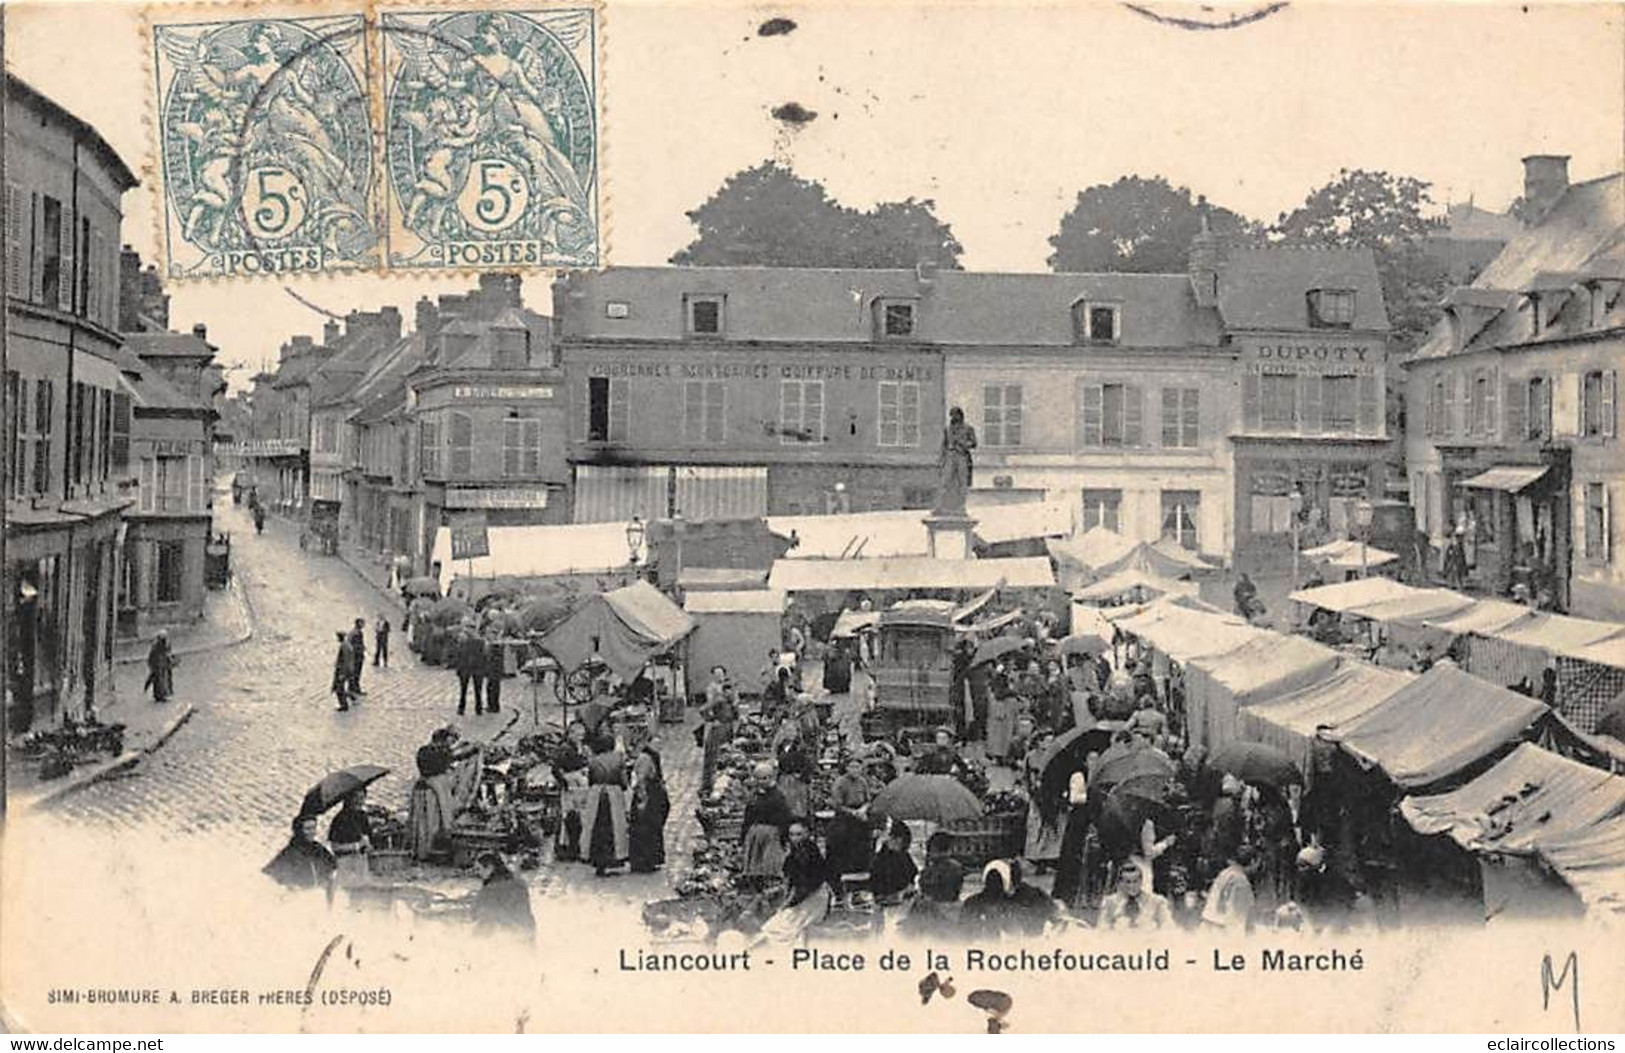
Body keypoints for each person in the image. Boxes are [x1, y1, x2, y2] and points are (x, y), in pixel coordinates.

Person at [408, 727, 482, 862]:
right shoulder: (439, 752)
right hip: (435, 792)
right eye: (450, 740)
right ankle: (430, 849)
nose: (451, 743)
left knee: (422, 824)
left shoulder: (424, 751)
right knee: (435, 821)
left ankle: (421, 848)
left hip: (422, 790)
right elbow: (457, 755)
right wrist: (474, 748)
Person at [740, 762, 794, 887]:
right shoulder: (755, 795)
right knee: (754, 865)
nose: (761, 781)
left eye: (764, 778)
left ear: (771, 777)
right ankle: (755, 884)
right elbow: (748, 816)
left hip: (771, 834)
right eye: (758, 778)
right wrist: (743, 835)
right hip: (755, 835)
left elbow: (785, 818)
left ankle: (770, 885)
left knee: (769, 865)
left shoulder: (778, 796)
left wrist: (784, 837)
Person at [583, 735, 630, 876]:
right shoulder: (619, 758)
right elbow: (624, 781)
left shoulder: (593, 761)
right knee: (615, 827)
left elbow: (590, 780)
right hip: (613, 794)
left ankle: (598, 861)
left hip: (596, 794)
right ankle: (614, 858)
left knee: (596, 828)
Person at [825, 758, 874, 881]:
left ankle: (862, 868)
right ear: (846, 768)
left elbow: (868, 800)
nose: (855, 770)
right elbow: (837, 805)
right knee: (842, 835)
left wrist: (863, 809)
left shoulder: (862, 781)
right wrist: (853, 812)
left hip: (860, 812)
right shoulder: (840, 782)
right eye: (852, 767)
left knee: (867, 834)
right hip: (845, 815)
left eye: (857, 767)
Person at [263, 813, 337, 890]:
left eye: (314, 828)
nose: (312, 832)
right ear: (299, 831)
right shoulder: (289, 854)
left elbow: (334, 866)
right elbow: (270, 875)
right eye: (308, 829)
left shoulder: (318, 849)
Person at [471, 852, 536, 937]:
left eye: (479, 869)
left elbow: (476, 913)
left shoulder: (489, 890)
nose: (478, 873)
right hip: (527, 930)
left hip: (506, 935)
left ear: (490, 868)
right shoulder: (519, 883)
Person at [628, 744, 670, 874]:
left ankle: (648, 859)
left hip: (652, 795)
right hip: (649, 796)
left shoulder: (649, 757)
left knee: (651, 827)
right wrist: (642, 799)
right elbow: (640, 780)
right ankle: (645, 860)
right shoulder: (646, 759)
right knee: (647, 827)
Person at [1097, 860, 1172, 930]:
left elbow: (1168, 928)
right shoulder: (1110, 903)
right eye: (1128, 882)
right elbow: (1102, 929)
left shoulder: (1157, 902)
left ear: (1141, 881)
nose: (1131, 886)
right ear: (1120, 883)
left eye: (1135, 881)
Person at [698, 669, 738, 795]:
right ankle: (708, 785)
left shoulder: (732, 701)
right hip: (718, 730)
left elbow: (735, 716)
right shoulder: (719, 699)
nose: (731, 693)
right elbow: (703, 709)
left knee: (726, 757)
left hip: (728, 729)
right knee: (713, 758)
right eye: (729, 690)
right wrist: (712, 719)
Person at [1201, 845, 1258, 932]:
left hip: (1209, 923)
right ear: (1253, 862)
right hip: (1222, 929)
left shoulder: (1225, 873)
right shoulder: (1240, 881)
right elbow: (1237, 915)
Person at [328, 788, 373, 887]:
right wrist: (356, 846)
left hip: (361, 862)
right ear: (349, 799)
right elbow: (334, 847)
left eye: (362, 798)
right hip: (346, 864)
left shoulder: (363, 816)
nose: (360, 801)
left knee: (364, 890)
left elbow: (368, 839)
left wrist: (368, 845)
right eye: (356, 798)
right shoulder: (339, 819)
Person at [868, 821, 919, 904]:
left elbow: (913, 873)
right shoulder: (880, 857)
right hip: (889, 900)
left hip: (902, 899)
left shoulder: (903, 855)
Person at [454, 624, 486, 716]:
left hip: (472, 667)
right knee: (468, 689)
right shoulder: (478, 641)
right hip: (470, 667)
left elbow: (459, 654)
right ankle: (472, 708)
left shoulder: (473, 641)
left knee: (473, 689)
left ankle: (470, 708)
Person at [145, 631, 177, 703]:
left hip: (164, 664)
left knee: (165, 679)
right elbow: (152, 657)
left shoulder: (166, 644)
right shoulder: (156, 646)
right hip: (158, 664)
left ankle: (165, 693)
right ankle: (159, 695)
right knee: (158, 679)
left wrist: (171, 660)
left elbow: (168, 653)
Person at [482, 631, 505, 714]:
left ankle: (494, 706)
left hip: (494, 670)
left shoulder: (496, 644)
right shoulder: (492, 644)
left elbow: (495, 657)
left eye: (491, 634)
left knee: (493, 688)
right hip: (492, 670)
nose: (489, 635)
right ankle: (491, 705)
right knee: (490, 688)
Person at [332, 631, 354, 712]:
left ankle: (344, 705)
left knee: (339, 689)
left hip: (342, 670)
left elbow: (346, 660)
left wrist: (342, 673)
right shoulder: (347, 644)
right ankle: (349, 697)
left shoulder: (344, 646)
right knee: (340, 687)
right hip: (344, 670)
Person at [347, 618, 367, 697]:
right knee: (356, 673)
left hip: (354, 656)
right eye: (362, 623)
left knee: (354, 673)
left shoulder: (353, 632)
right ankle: (354, 688)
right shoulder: (357, 633)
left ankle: (352, 688)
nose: (363, 625)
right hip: (357, 656)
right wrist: (361, 650)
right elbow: (357, 645)